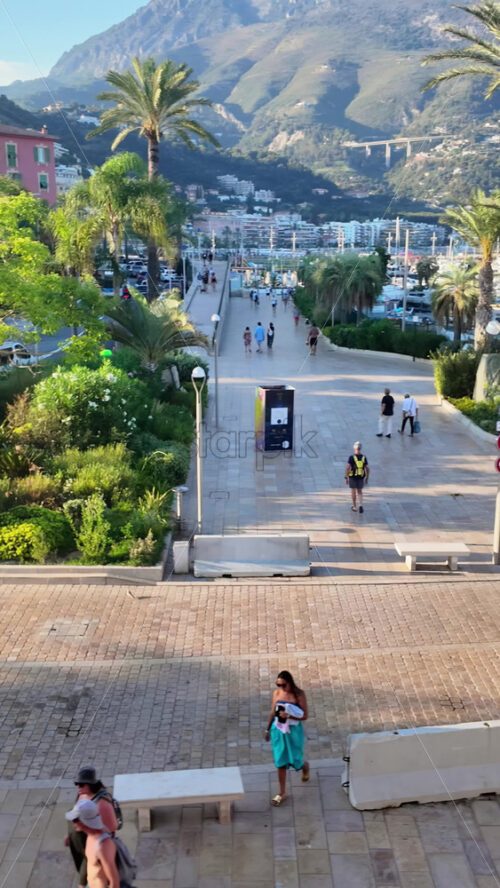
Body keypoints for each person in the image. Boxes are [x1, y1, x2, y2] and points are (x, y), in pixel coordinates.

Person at [265, 670, 310, 806]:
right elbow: (273, 711)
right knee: (280, 761)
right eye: (278, 685)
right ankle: (282, 792)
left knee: (295, 758)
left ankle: (304, 766)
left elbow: (304, 716)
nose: (281, 688)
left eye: (283, 685)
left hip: (293, 731)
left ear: (289, 683)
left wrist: (289, 716)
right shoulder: (277, 693)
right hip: (278, 729)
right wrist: (267, 729)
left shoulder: (299, 695)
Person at [65, 778, 118, 888]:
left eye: (75, 820)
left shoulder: (103, 845)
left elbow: (114, 881)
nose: (72, 823)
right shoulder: (90, 837)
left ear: (85, 822)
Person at [345, 441, 369, 513]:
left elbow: (348, 468)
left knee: (353, 491)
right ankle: (361, 504)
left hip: (352, 477)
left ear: (354, 448)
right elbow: (367, 468)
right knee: (360, 491)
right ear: (360, 448)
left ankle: (355, 506)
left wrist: (346, 477)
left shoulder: (351, 457)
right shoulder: (363, 457)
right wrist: (367, 477)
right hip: (360, 477)